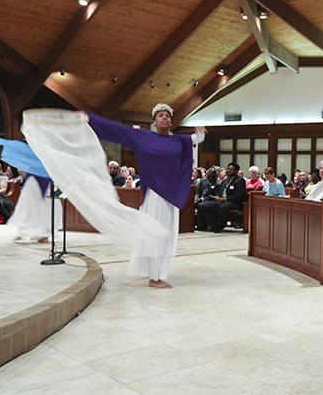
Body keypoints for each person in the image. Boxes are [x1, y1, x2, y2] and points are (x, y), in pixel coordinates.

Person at [87, 103, 206, 288]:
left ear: (171, 121)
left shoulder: (178, 141)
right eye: (160, 115)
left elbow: (196, 139)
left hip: (170, 195)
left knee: (165, 235)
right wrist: (90, 118)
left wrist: (201, 133)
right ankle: (155, 277)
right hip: (154, 194)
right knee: (155, 233)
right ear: (154, 121)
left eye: (167, 115)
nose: (164, 117)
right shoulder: (144, 137)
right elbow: (117, 130)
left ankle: (154, 272)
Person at [196, 162, 246, 232]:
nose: (228, 171)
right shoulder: (225, 180)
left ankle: (218, 226)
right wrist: (216, 198)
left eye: (231, 169)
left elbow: (239, 195)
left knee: (222, 208)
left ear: (236, 171)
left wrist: (225, 199)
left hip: (233, 202)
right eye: (228, 169)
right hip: (220, 200)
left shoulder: (240, 180)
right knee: (202, 205)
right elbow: (220, 192)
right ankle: (207, 225)